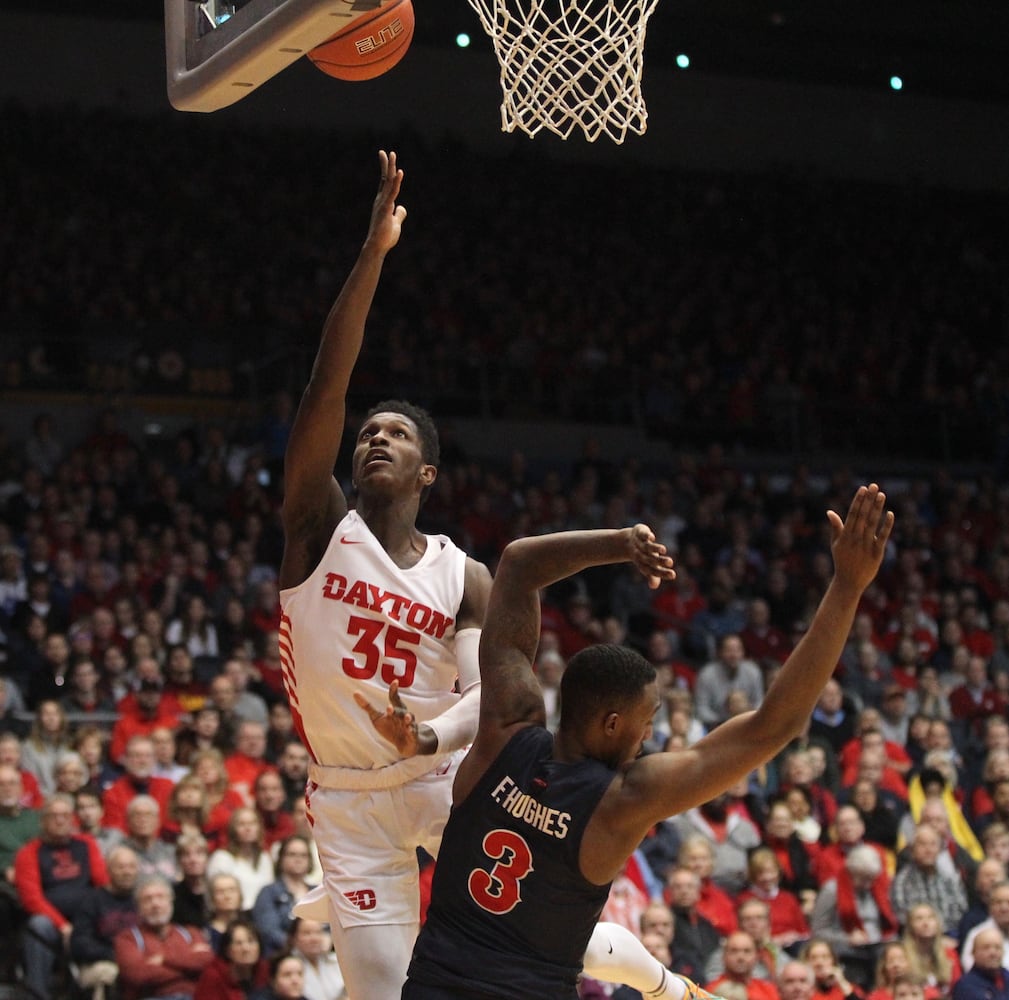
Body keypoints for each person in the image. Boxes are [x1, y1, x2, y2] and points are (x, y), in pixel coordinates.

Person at [403, 483, 893, 998]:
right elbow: (778, 723)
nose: (650, 734)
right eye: (647, 719)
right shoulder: (621, 800)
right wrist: (848, 587)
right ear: (613, 724)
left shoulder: (503, 732)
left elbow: (518, 563)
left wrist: (620, 544)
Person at [276, 150, 493, 1000]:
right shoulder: (316, 526)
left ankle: (661, 983)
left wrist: (432, 737)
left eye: (396, 433)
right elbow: (325, 384)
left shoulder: (463, 576)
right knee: (377, 993)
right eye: (369, 429)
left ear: (427, 472)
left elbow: (487, 696)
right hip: (346, 796)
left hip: (437, 776)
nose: (374, 436)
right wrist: (373, 254)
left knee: (550, 923)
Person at [114, 874, 213, 1000]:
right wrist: (189, 968)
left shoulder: (190, 933)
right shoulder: (127, 938)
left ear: (170, 901)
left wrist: (164, 960)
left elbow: (206, 962)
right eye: (147, 899)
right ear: (139, 907)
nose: (155, 904)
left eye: (160, 897)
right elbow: (137, 976)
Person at [194, 916, 271, 1000]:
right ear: (227, 951)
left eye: (251, 941)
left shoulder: (265, 971)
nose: (246, 948)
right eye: (238, 943)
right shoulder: (213, 977)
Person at [952, 927, 1009, 1000]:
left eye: (997, 947)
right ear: (973, 952)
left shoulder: (1006, 977)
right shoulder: (965, 986)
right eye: (986, 948)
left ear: (1003, 952)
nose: (993, 953)